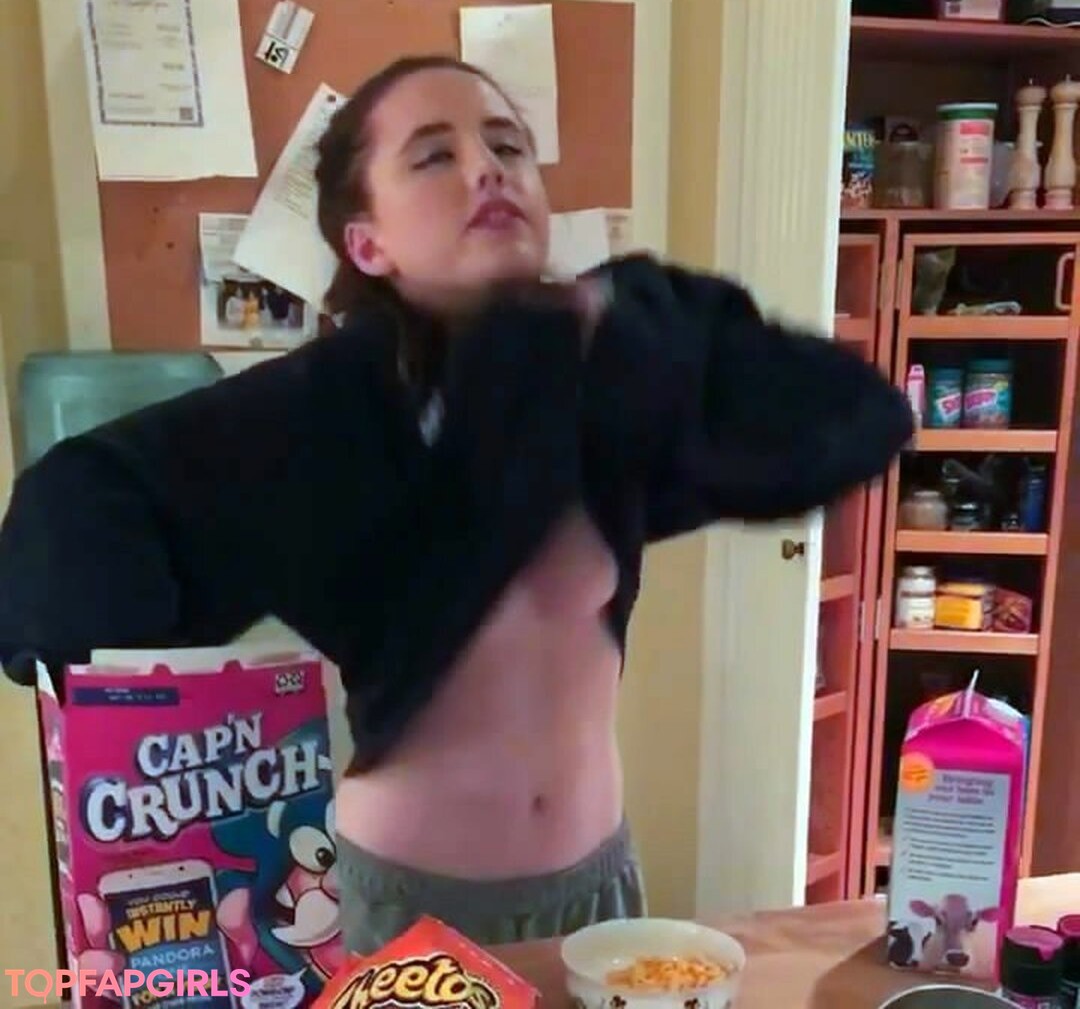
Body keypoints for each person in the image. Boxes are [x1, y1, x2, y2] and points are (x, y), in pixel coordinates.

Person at [0, 55, 913, 955]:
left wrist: (621, 326)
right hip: (416, 910)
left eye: (509, 147)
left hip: (598, 884)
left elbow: (856, 418)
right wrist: (114, 685)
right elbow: (82, 495)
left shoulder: (611, 363)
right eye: (434, 155)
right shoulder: (323, 411)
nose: (487, 169)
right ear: (368, 244)